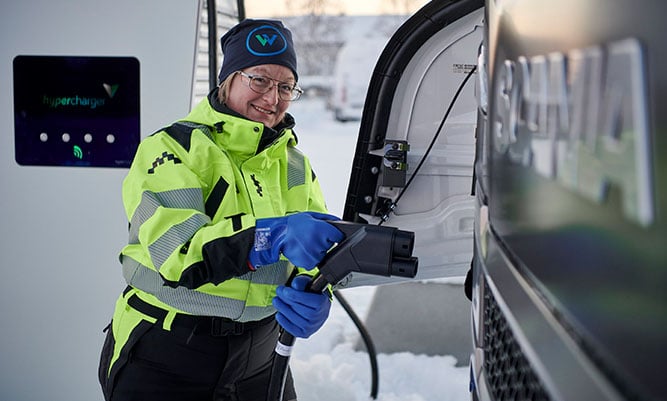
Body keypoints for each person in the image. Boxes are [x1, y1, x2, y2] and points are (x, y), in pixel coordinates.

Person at [98, 19, 344, 401]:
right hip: (166, 356)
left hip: (261, 359)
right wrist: (269, 236)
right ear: (228, 79)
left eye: (284, 86)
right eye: (259, 80)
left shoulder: (294, 164)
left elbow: (318, 250)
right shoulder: (173, 148)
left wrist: (315, 290)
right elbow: (177, 253)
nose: (272, 98)